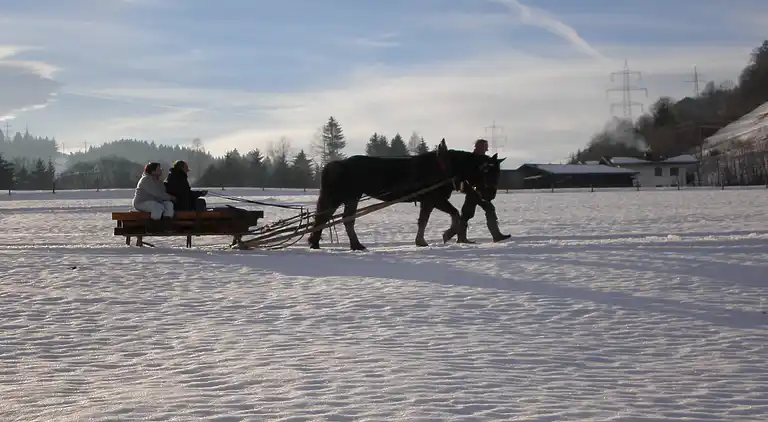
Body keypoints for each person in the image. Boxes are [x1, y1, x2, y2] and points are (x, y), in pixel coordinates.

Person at [444, 138, 511, 243]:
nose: (487, 148)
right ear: (479, 146)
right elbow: (466, 174)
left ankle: (455, 235)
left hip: (481, 190)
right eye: (485, 146)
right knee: (469, 213)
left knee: (481, 211)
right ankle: (456, 236)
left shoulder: (485, 159)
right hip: (473, 190)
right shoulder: (471, 158)